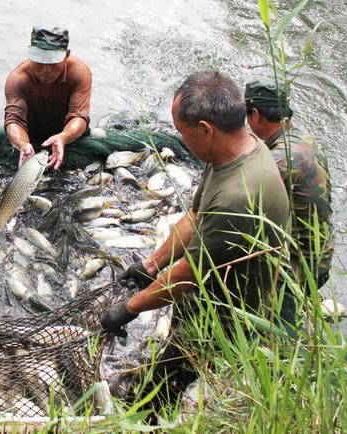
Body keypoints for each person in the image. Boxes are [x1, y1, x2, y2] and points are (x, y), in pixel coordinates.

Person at [101, 71, 289, 407]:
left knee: (156, 391)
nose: (181, 140)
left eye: (182, 133)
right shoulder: (232, 151)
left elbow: (189, 274)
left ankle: (151, 421)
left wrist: (128, 309)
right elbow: (196, 214)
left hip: (226, 315)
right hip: (206, 293)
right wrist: (150, 265)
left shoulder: (238, 196)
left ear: (205, 129)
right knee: (165, 370)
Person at [244, 79, 333, 297]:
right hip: (323, 254)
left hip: (302, 266)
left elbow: (243, 215)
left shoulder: (278, 163)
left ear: (255, 114)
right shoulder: (307, 140)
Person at [4, 26, 92, 170]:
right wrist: (22, 144)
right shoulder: (18, 79)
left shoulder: (79, 72)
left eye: (52, 62)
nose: (46, 70)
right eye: (39, 61)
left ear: (66, 55)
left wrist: (63, 136)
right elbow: (14, 120)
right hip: (31, 135)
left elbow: (79, 116)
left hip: (66, 134)